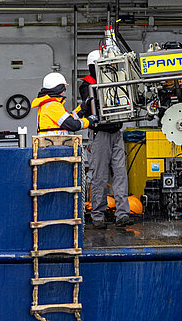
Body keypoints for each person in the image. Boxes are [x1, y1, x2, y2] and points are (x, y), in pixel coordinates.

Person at [79, 50, 130, 230]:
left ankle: (122, 214)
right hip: (99, 134)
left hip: (116, 132)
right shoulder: (87, 84)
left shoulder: (116, 79)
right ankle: (98, 215)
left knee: (120, 174)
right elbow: (93, 103)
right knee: (99, 176)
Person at [32, 72, 97, 135]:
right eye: (63, 88)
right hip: (54, 144)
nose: (64, 91)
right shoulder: (53, 106)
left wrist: (82, 108)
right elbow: (73, 125)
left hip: (52, 143)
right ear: (58, 89)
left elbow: (69, 119)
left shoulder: (49, 104)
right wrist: (90, 120)